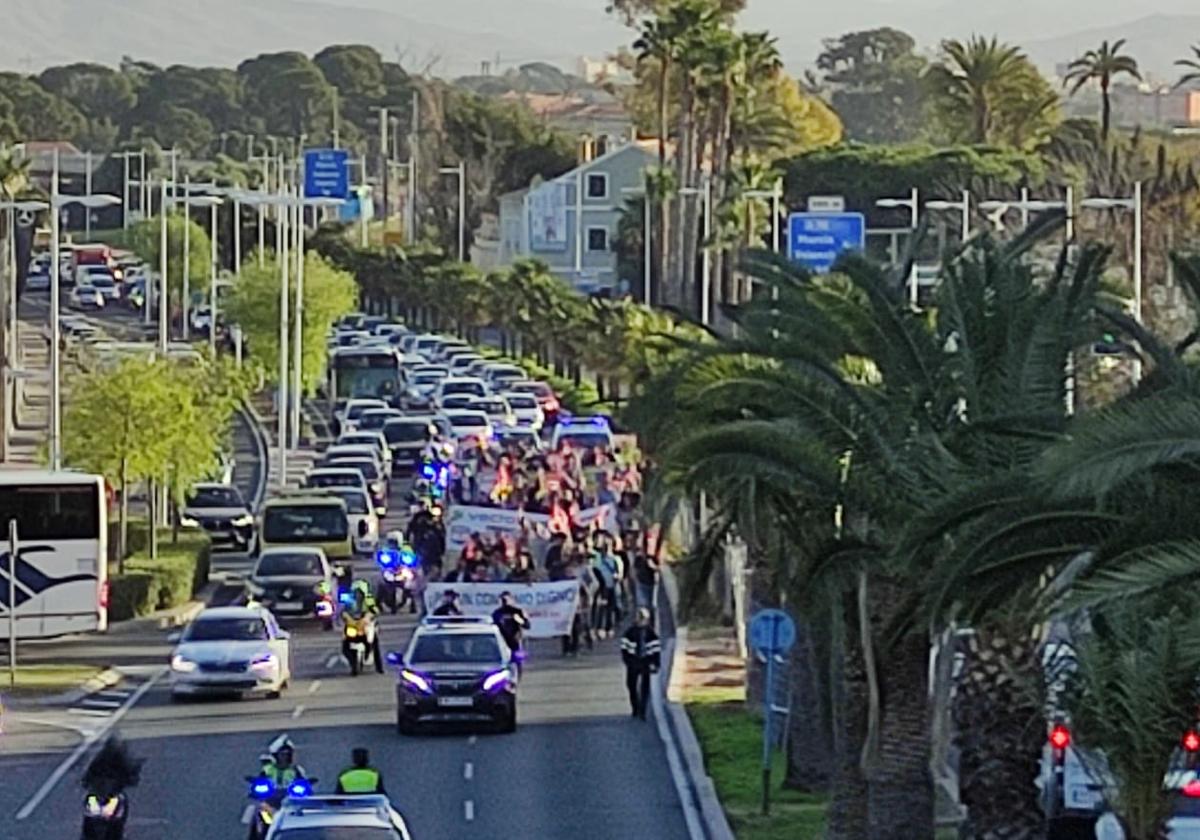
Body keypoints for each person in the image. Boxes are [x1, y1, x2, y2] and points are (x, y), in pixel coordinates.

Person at [620, 609, 661, 720]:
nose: (641, 620)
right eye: (640, 618)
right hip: (633, 663)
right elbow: (624, 648)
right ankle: (635, 708)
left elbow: (656, 649)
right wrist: (628, 661)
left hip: (645, 663)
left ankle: (642, 710)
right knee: (631, 685)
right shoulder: (630, 632)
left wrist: (655, 664)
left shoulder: (651, 633)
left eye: (643, 618)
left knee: (644, 687)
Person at [491, 591, 530, 655]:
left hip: (515, 642)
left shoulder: (518, 611)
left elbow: (527, 626)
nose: (505, 602)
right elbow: (493, 626)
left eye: (507, 600)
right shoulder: (497, 613)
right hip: (501, 642)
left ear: (512, 600)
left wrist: (519, 620)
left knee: (517, 660)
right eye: (503, 600)